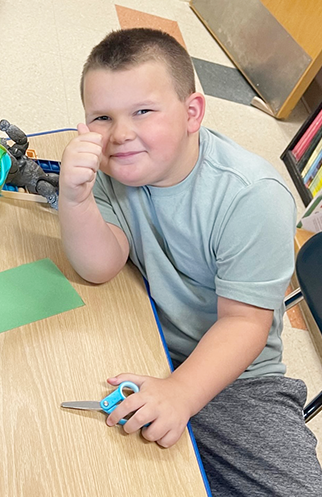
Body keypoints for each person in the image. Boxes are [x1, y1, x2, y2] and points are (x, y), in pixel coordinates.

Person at [59, 27, 322, 495]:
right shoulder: (110, 169)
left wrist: (179, 393)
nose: (120, 134)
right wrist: (74, 199)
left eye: (143, 111)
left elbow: (245, 325)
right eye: (101, 117)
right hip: (141, 334)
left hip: (238, 377)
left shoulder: (253, 196)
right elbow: (100, 266)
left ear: (192, 113)